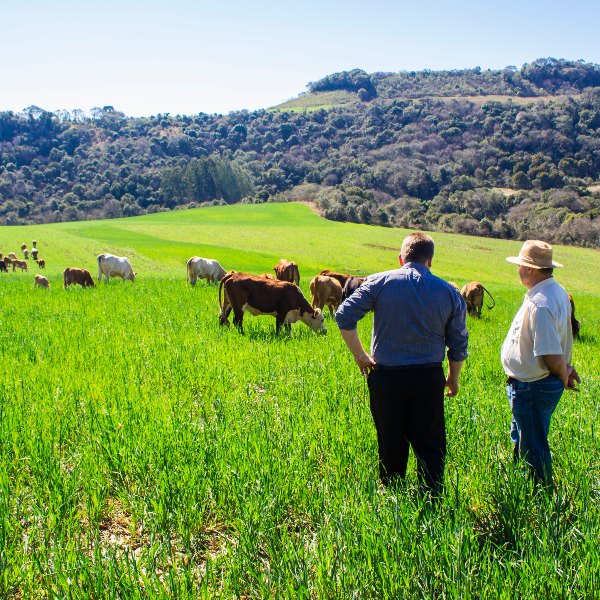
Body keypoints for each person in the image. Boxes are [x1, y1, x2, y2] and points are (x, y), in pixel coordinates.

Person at [335, 233, 468, 497]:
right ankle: (430, 498)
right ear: (430, 261)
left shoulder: (380, 282)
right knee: (430, 442)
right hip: (428, 377)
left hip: (387, 378)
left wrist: (360, 355)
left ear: (400, 258)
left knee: (390, 439)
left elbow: (344, 315)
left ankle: (393, 499)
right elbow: (458, 344)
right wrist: (453, 378)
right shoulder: (449, 292)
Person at [501, 240, 580, 487]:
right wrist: (563, 370)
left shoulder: (541, 303)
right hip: (529, 385)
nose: (518, 270)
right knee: (524, 439)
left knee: (533, 447)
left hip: (533, 386)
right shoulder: (554, 292)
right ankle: (520, 488)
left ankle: (541, 498)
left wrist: (563, 372)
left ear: (531, 269)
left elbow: (550, 354)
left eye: (521, 266)